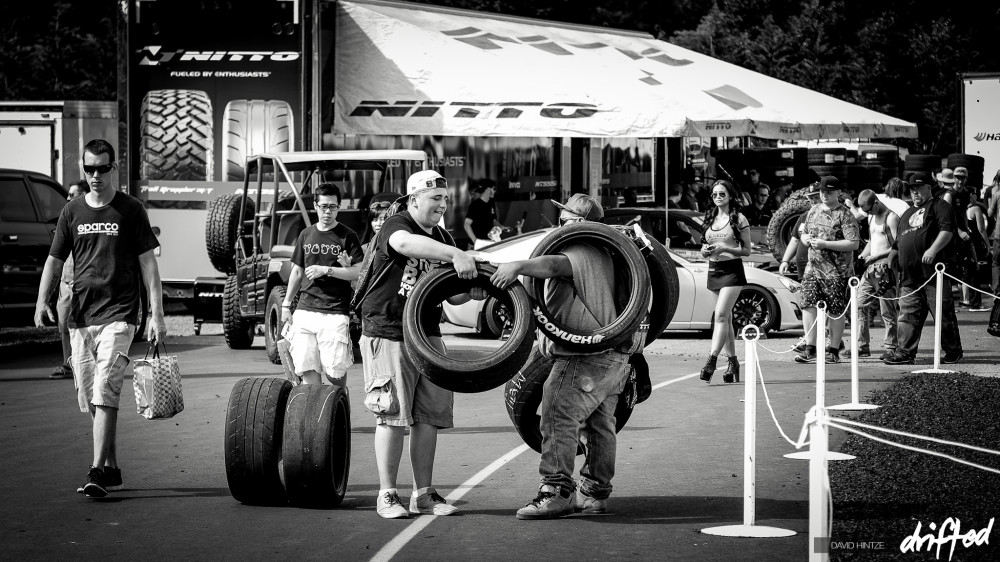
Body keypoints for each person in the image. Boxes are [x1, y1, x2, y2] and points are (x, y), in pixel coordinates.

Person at [487, 193, 640, 520]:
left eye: (567, 219)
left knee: (557, 414)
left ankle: (556, 492)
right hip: (615, 355)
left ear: (581, 223)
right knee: (600, 424)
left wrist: (517, 266)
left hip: (585, 355)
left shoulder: (580, 249)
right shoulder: (610, 254)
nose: (560, 224)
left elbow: (555, 265)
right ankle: (595, 493)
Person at [34, 138, 165, 498]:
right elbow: (55, 259)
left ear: (113, 168)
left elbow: (148, 264)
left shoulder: (131, 209)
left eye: (102, 169)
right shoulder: (72, 211)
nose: (95, 175)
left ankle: (95, 471)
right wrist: (41, 299)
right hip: (81, 317)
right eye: (89, 169)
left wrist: (156, 314)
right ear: (83, 169)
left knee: (106, 386)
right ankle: (111, 468)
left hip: (120, 314)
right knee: (91, 398)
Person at [358, 170, 482, 519]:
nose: (442, 205)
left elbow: (454, 299)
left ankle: (424, 495)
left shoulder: (441, 236)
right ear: (414, 200)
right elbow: (404, 245)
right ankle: (387, 495)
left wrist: (473, 284)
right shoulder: (396, 224)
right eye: (435, 199)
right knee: (393, 416)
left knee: (428, 417)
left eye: (445, 199)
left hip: (427, 334)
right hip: (388, 329)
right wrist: (456, 253)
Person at [280, 183, 363, 386]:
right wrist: (285, 305)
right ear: (315, 206)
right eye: (324, 206)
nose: (328, 211)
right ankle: (315, 412)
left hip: (335, 312)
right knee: (306, 367)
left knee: (335, 372)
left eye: (333, 207)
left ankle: (338, 411)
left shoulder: (348, 236)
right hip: (305, 311)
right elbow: (297, 272)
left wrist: (326, 270)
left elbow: (359, 272)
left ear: (339, 207)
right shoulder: (306, 235)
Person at [884, 173, 963, 365]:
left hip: (933, 274)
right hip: (909, 276)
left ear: (929, 188)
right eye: (911, 189)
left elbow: (947, 231)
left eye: (918, 188)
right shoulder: (907, 213)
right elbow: (898, 242)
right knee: (907, 316)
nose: (914, 192)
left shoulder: (939, 206)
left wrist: (933, 249)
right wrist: (889, 260)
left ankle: (953, 351)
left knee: (943, 314)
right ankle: (905, 353)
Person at [793, 176, 861, 364]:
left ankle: (833, 350)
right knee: (808, 304)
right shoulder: (813, 210)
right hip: (813, 268)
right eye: (822, 192)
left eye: (829, 192)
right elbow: (804, 232)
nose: (824, 195)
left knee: (835, 310)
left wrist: (825, 244)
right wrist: (806, 240)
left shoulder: (845, 214)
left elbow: (853, 243)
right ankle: (810, 347)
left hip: (837, 271)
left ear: (838, 193)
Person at [694, 180, 752, 383]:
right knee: (725, 319)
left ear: (730, 196)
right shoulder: (709, 218)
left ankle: (711, 360)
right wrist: (705, 251)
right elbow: (703, 246)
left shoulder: (739, 219)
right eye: (714, 194)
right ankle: (733, 362)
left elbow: (746, 251)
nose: (718, 197)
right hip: (714, 269)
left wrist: (724, 248)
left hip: (732, 271)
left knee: (720, 316)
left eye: (722, 194)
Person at [848, 190, 900, 360]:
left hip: (886, 268)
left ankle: (891, 347)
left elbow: (897, 245)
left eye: (869, 210)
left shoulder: (891, 217)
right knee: (859, 305)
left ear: (876, 202)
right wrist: (863, 255)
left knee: (888, 311)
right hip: (871, 269)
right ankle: (862, 346)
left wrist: (877, 256)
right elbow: (872, 241)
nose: (868, 213)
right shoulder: (871, 217)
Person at [50, 180, 90, 380]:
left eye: (72, 194)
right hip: (66, 283)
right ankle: (68, 364)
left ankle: (88, 365)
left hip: (85, 284)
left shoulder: (89, 219)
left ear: (83, 195)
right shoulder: (67, 218)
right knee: (63, 324)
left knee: (87, 326)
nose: (67, 198)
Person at [779, 184, 822, 353]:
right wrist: (785, 260)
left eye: (816, 197)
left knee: (820, 305)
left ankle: (821, 342)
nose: (813, 200)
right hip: (805, 268)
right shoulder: (805, 216)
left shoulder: (829, 215)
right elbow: (795, 240)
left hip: (823, 268)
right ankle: (812, 340)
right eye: (810, 198)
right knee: (808, 305)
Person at [464, 179, 501, 250]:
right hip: (476, 246)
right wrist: (476, 242)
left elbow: (493, 220)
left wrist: (501, 227)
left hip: (489, 244)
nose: (495, 191)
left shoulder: (491, 203)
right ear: (487, 189)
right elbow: (466, 224)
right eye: (493, 189)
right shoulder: (475, 205)